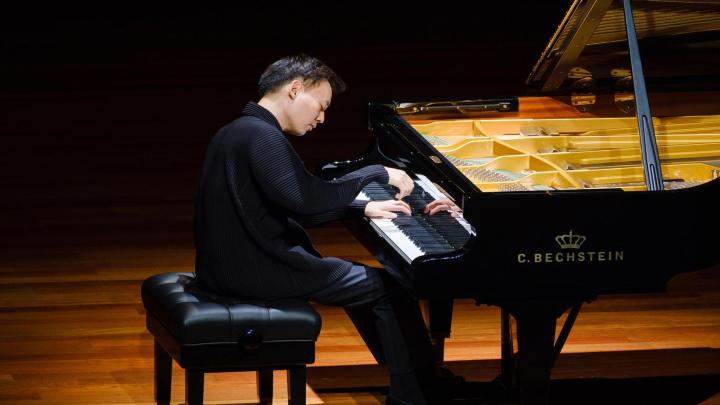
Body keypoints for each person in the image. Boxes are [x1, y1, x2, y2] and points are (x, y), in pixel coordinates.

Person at [194, 54, 459, 405]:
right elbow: (308, 202)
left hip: (228, 268)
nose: (321, 118)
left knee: (369, 285)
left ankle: (416, 379)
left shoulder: (237, 130)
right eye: (321, 106)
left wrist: (361, 207)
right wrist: (376, 173)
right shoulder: (262, 136)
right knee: (386, 288)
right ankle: (416, 393)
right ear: (294, 89)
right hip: (259, 271)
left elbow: (294, 204)